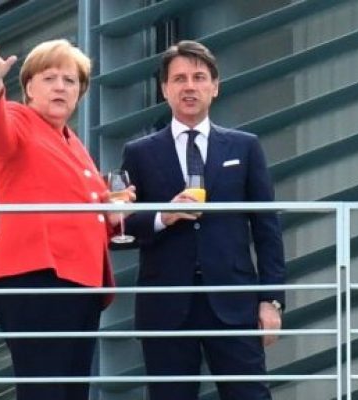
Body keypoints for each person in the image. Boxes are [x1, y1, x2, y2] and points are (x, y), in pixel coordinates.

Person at [0, 39, 133, 400]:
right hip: (35, 273)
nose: (61, 86)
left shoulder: (74, 143)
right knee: (45, 389)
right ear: (28, 87)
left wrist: (113, 215)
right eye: (50, 77)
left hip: (80, 281)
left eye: (70, 81)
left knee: (71, 391)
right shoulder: (20, 119)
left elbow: (82, 217)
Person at [121, 40, 285, 400]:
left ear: (215, 86)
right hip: (166, 304)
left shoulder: (244, 146)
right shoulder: (140, 153)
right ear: (165, 90)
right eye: (179, 79)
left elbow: (267, 227)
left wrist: (271, 300)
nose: (189, 86)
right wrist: (163, 216)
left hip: (233, 301)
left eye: (198, 77)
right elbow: (122, 228)